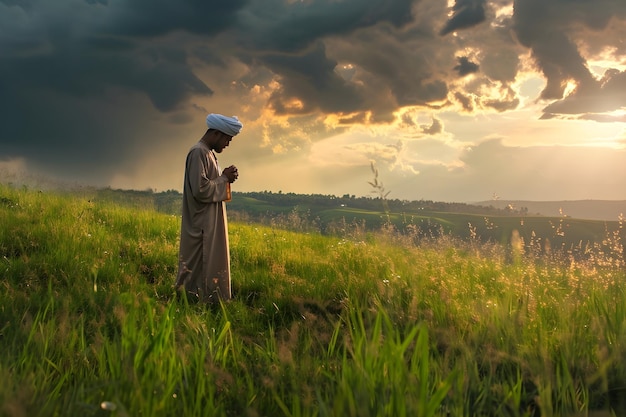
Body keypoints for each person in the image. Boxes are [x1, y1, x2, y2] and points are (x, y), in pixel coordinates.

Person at [175, 113, 243, 303]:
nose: (227, 144)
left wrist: (224, 178)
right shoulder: (198, 152)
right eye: (227, 139)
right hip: (201, 225)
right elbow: (201, 189)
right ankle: (193, 304)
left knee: (210, 264)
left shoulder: (208, 153)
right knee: (200, 265)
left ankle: (207, 302)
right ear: (217, 133)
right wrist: (224, 178)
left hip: (208, 222)